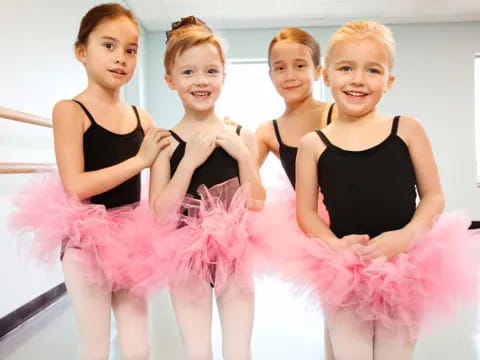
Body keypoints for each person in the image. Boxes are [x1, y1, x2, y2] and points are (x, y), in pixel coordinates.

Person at [295, 20, 478, 360]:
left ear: (389, 81)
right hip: (345, 266)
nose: (358, 79)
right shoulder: (313, 144)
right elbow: (305, 212)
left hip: (404, 266)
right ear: (326, 74)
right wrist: (335, 247)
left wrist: (405, 237)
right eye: (346, 68)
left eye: (373, 70)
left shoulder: (406, 129)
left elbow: (433, 196)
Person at [9, 4, 170, 358]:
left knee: (138, 346)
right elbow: (76, 185)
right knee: (95, 345)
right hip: (86, 241)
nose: (120, 58)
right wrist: (140, 160)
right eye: (108, 46)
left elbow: (161, 177)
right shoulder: (69, 110)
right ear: (81, 52)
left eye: (130, 50)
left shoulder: (141, 116)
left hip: (132, 238)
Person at [144, 16, 265, 360]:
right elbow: (160, 213)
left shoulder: (241, 135)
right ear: (170, 80)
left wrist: (243, 155)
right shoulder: (165, 143)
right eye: (188, 72)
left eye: (211, 71)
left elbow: (257, 201)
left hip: (234, 255)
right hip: (185, 257)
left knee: (239, 350)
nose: (201, 81)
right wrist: (189, 160)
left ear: (224, 76)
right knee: (196, 349)